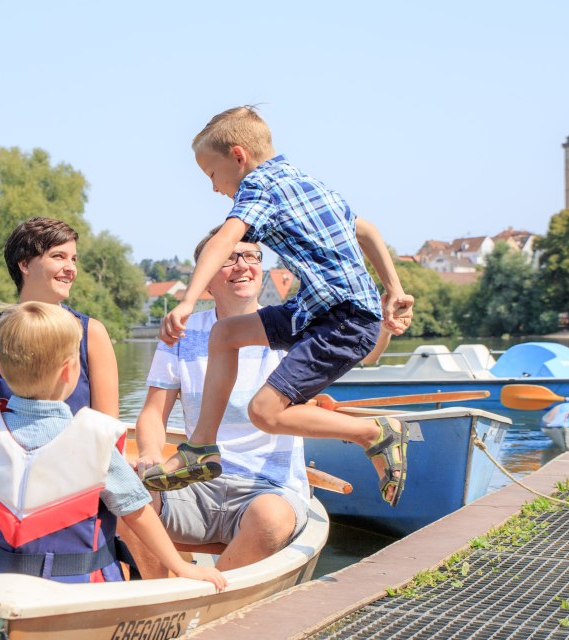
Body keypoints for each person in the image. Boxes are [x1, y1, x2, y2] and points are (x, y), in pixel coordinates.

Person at [143, 106, 415, 507]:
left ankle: (375, 433)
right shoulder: (310, 184)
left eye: (212, 174)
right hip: (317, 310)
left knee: (265, 412)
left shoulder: (258, 187)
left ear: (239, 157)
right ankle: (201, 447)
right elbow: (368, 231)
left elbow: (223, 240)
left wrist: (187, 299)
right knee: (225, 334)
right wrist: (393, 288)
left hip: (343, 319)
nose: (215, 188)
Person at [0, 302, 226, 589]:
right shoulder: (97, 441)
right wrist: (181, 566)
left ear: (2, 371)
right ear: (70, 371)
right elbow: (138, 513)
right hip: (81, 590)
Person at [132, 230, 313, 574]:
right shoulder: (182, 333)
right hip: (195, 483)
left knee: (270, 519)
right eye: (229, 258)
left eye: (251, 256)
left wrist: (382, 329)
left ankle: (208, 593)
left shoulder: (290, 329)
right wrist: (149, 453)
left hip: (267, 489)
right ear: (206, 280)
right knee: (126, 492)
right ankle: (158, 594)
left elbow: (359, 352)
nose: (242, 265)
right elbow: (153, 414)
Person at [0, 217, 119, 531]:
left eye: (74, 259)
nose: (70, 268)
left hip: (76, 489)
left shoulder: (93, 333)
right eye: (59, 256)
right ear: (24, 264)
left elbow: (109, 427)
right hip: (5, 492)